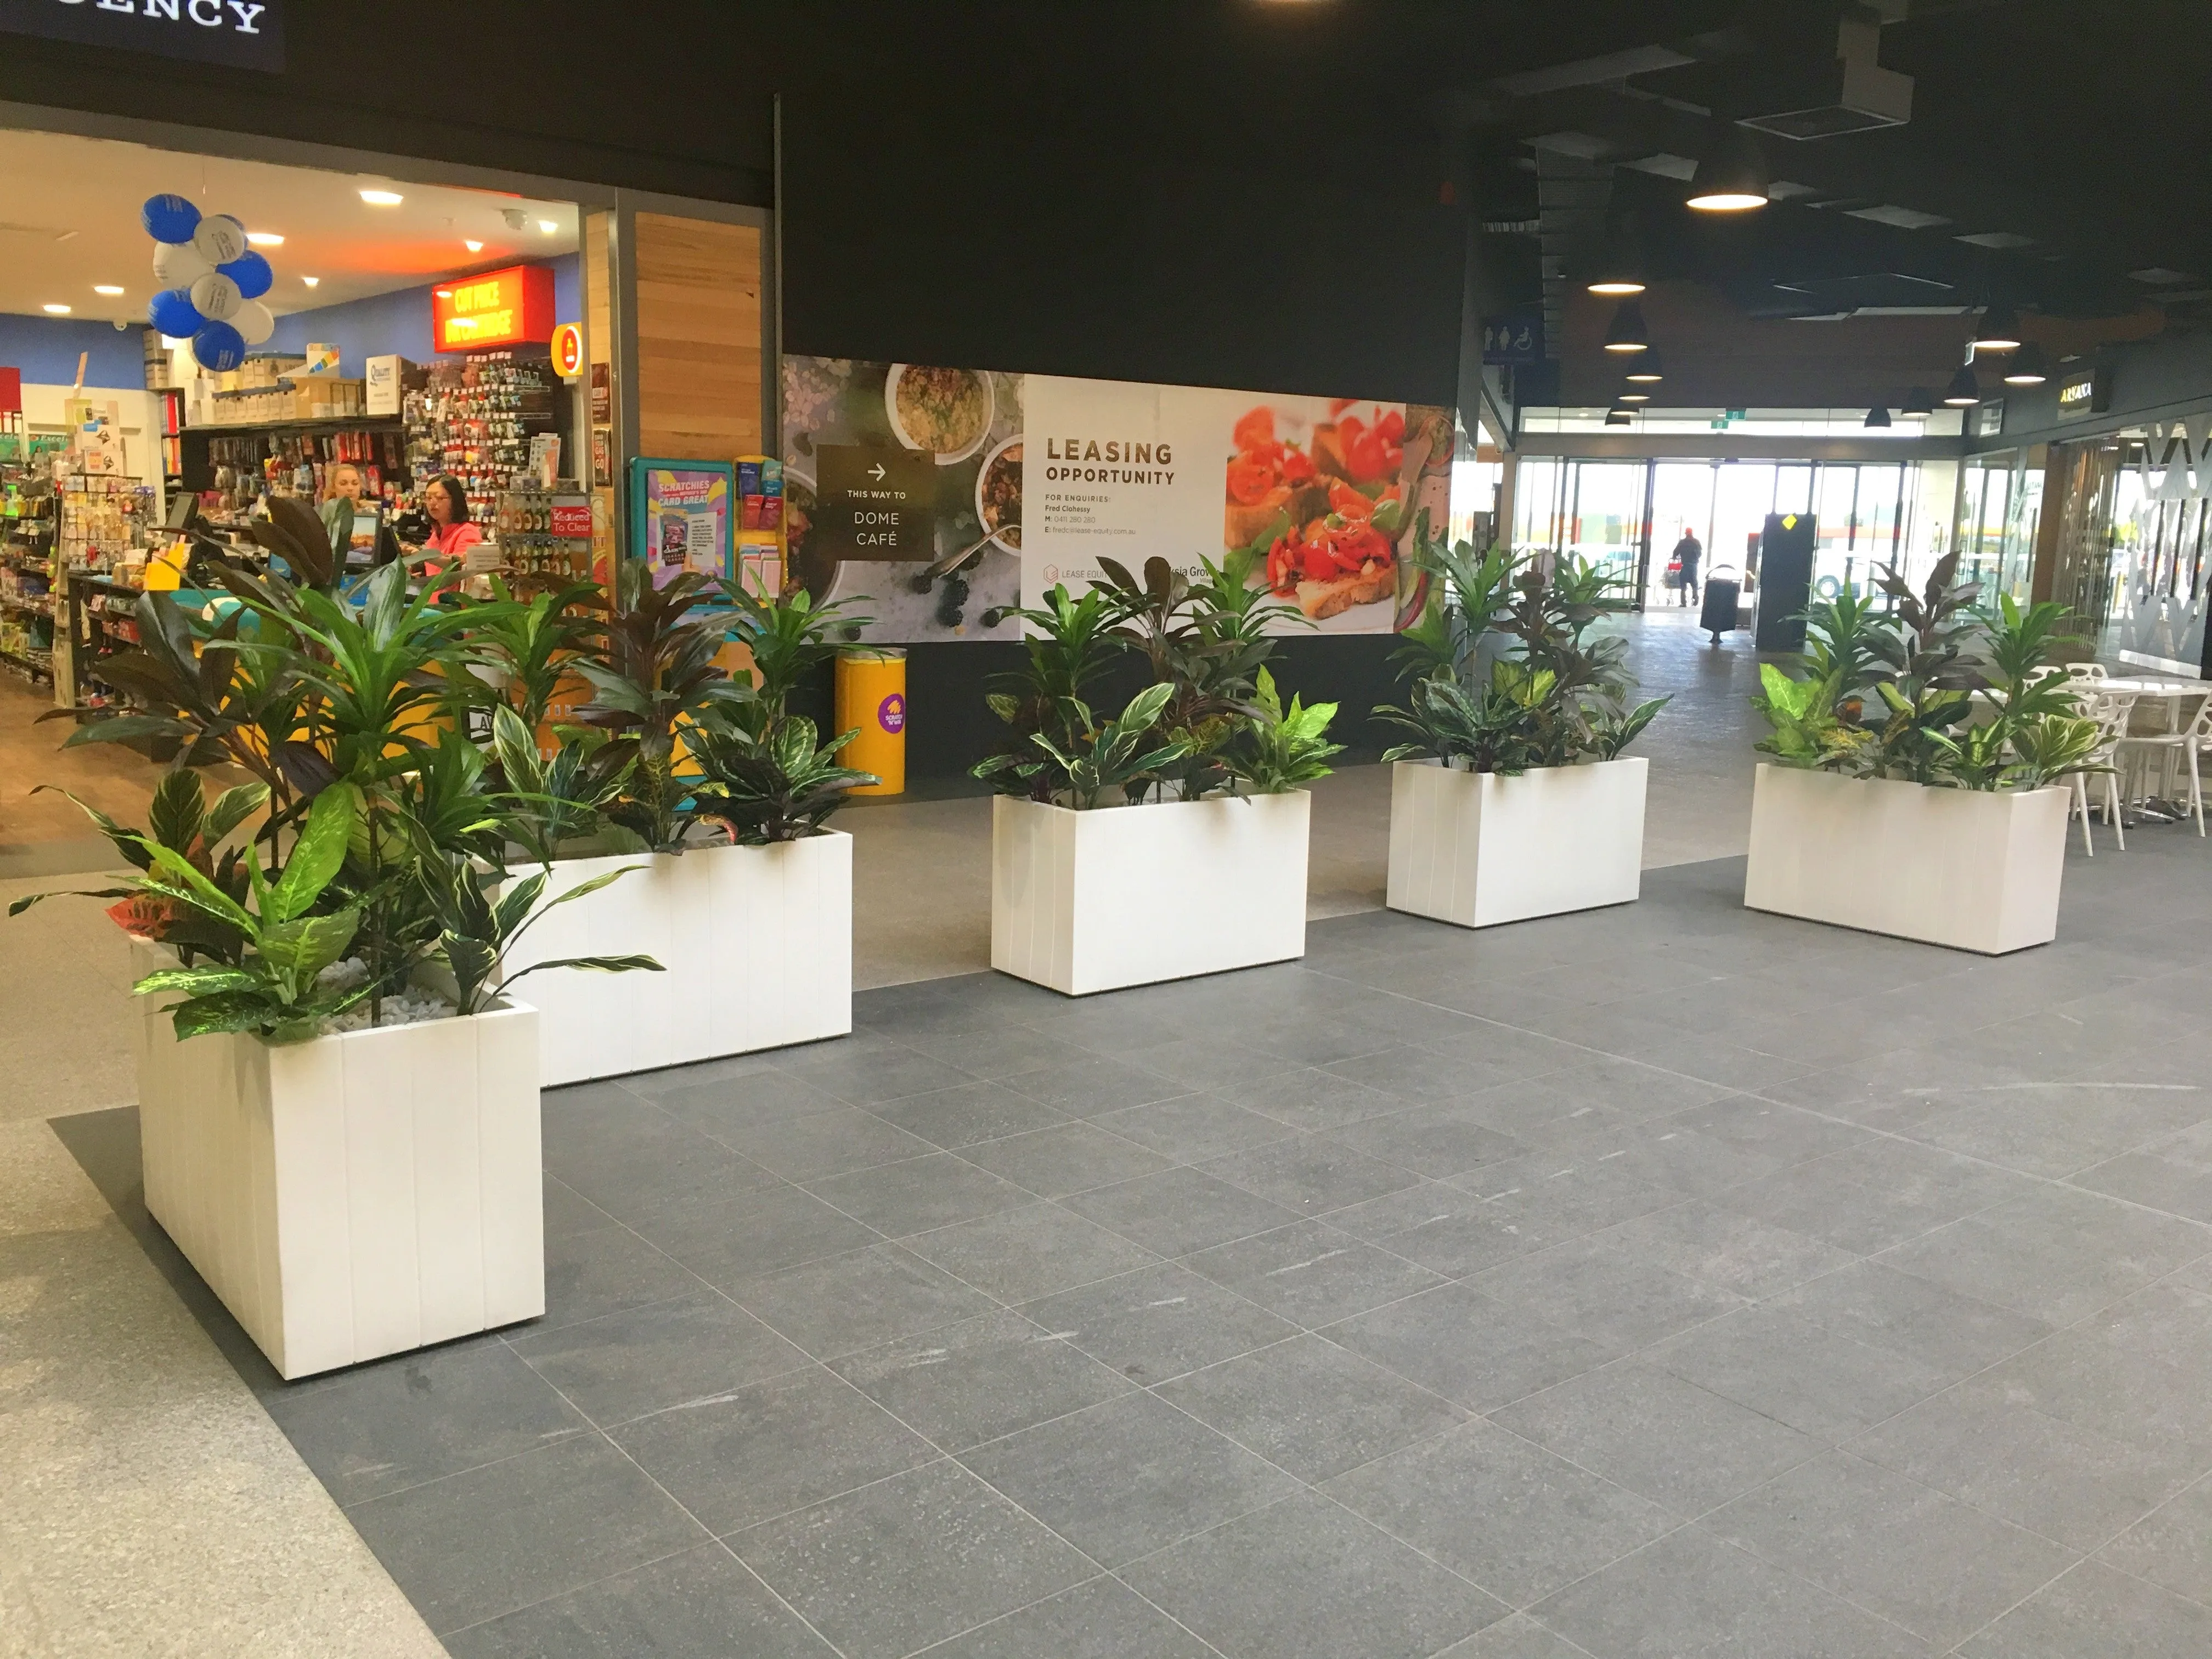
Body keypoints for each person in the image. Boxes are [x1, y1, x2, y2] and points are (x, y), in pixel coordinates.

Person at [413, 475, 483, 577]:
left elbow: (459, 566)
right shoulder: (436, 534)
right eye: (428, 498)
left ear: (455, 500)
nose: (432, 503)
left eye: (440, 498)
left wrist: (424, 556)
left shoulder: (468, 532)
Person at [1671, 528, 1703, 607]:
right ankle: (1695, 597)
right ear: (1692, 533)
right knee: (1694, 583)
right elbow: (1700, 554)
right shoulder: (1697, 542)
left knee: (1683, 584)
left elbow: (1675, 552)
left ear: (1686, 534)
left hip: (1685, 565)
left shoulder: (1682, 542)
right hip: (1694, 565)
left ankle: (1683, 602)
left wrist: (1674, 557)